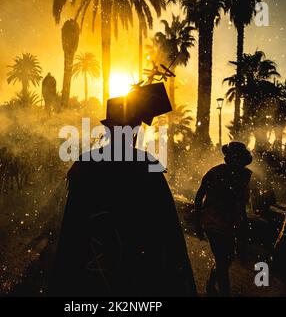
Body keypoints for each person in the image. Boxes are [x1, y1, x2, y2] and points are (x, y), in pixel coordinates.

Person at [49, 83, 197, 297]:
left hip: (93, 268)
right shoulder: (146, 165)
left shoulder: (86, 164)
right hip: (136, 272)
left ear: (108, 129)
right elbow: (165, 230)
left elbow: (73, 228)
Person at [194, 142, 253, 296]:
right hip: (212, 222)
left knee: (226, 259)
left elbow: (241, 203)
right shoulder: (214, 173)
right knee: (222, 259)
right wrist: (198, 222)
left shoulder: (244, 176)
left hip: (230, 223)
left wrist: (244, 223)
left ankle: (211, 284)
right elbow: (199, 196)